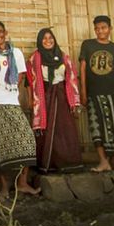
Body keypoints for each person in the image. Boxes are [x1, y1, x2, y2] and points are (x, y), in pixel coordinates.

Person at [0, 21, 40, 199]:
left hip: (12, 103)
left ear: (5, 32)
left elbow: (20, 75)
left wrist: (8, 89)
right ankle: (4, 188)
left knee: (28, 141)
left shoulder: (16, 53)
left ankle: (22, 184)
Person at [79, 16, 114, 172]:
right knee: (97, 126)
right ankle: (103, 161)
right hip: (95, 93)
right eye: (97, 28)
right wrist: (83, 91)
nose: (100, 31)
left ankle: (113, 161)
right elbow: (82, 68)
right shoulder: (88, 45)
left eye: (103, 27)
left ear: (110, 29)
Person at [27, 28, 82, 173]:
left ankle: (67, 163)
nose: (48, 41)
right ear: (40, 41)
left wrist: (73, 100)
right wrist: (31, 101)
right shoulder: (35, 58)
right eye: (44, 38)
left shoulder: (63, 57)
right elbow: (29, 81)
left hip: (62, 97)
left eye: (50, 38)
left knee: (64, 129)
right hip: (45, 96)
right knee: (46, 129)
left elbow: (72, 77)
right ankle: (47, 164)